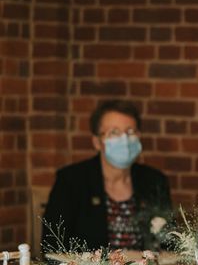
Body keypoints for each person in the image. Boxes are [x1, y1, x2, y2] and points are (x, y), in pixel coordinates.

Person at [42, 99, 171, 252]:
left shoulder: (154, 181)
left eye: (130, 131)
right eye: (114, 132)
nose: (124, 139)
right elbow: (52, 245)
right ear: (97, 141)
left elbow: (168, 242)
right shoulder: (72, 181)